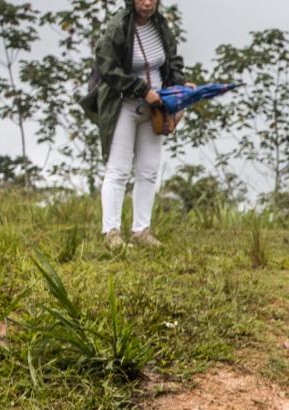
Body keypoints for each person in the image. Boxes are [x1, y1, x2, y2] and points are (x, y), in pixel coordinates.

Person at [86, 0, 192, 249]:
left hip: (155, 107)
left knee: (148, 169)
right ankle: (111, 232)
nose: (147, 3)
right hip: (124, 104)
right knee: (118, 170)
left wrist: (178, 87)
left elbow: (172, 60)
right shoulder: (118, 27)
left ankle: (141, 230)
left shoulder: (161, 25)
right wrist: (141, 89)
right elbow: (107, 67)